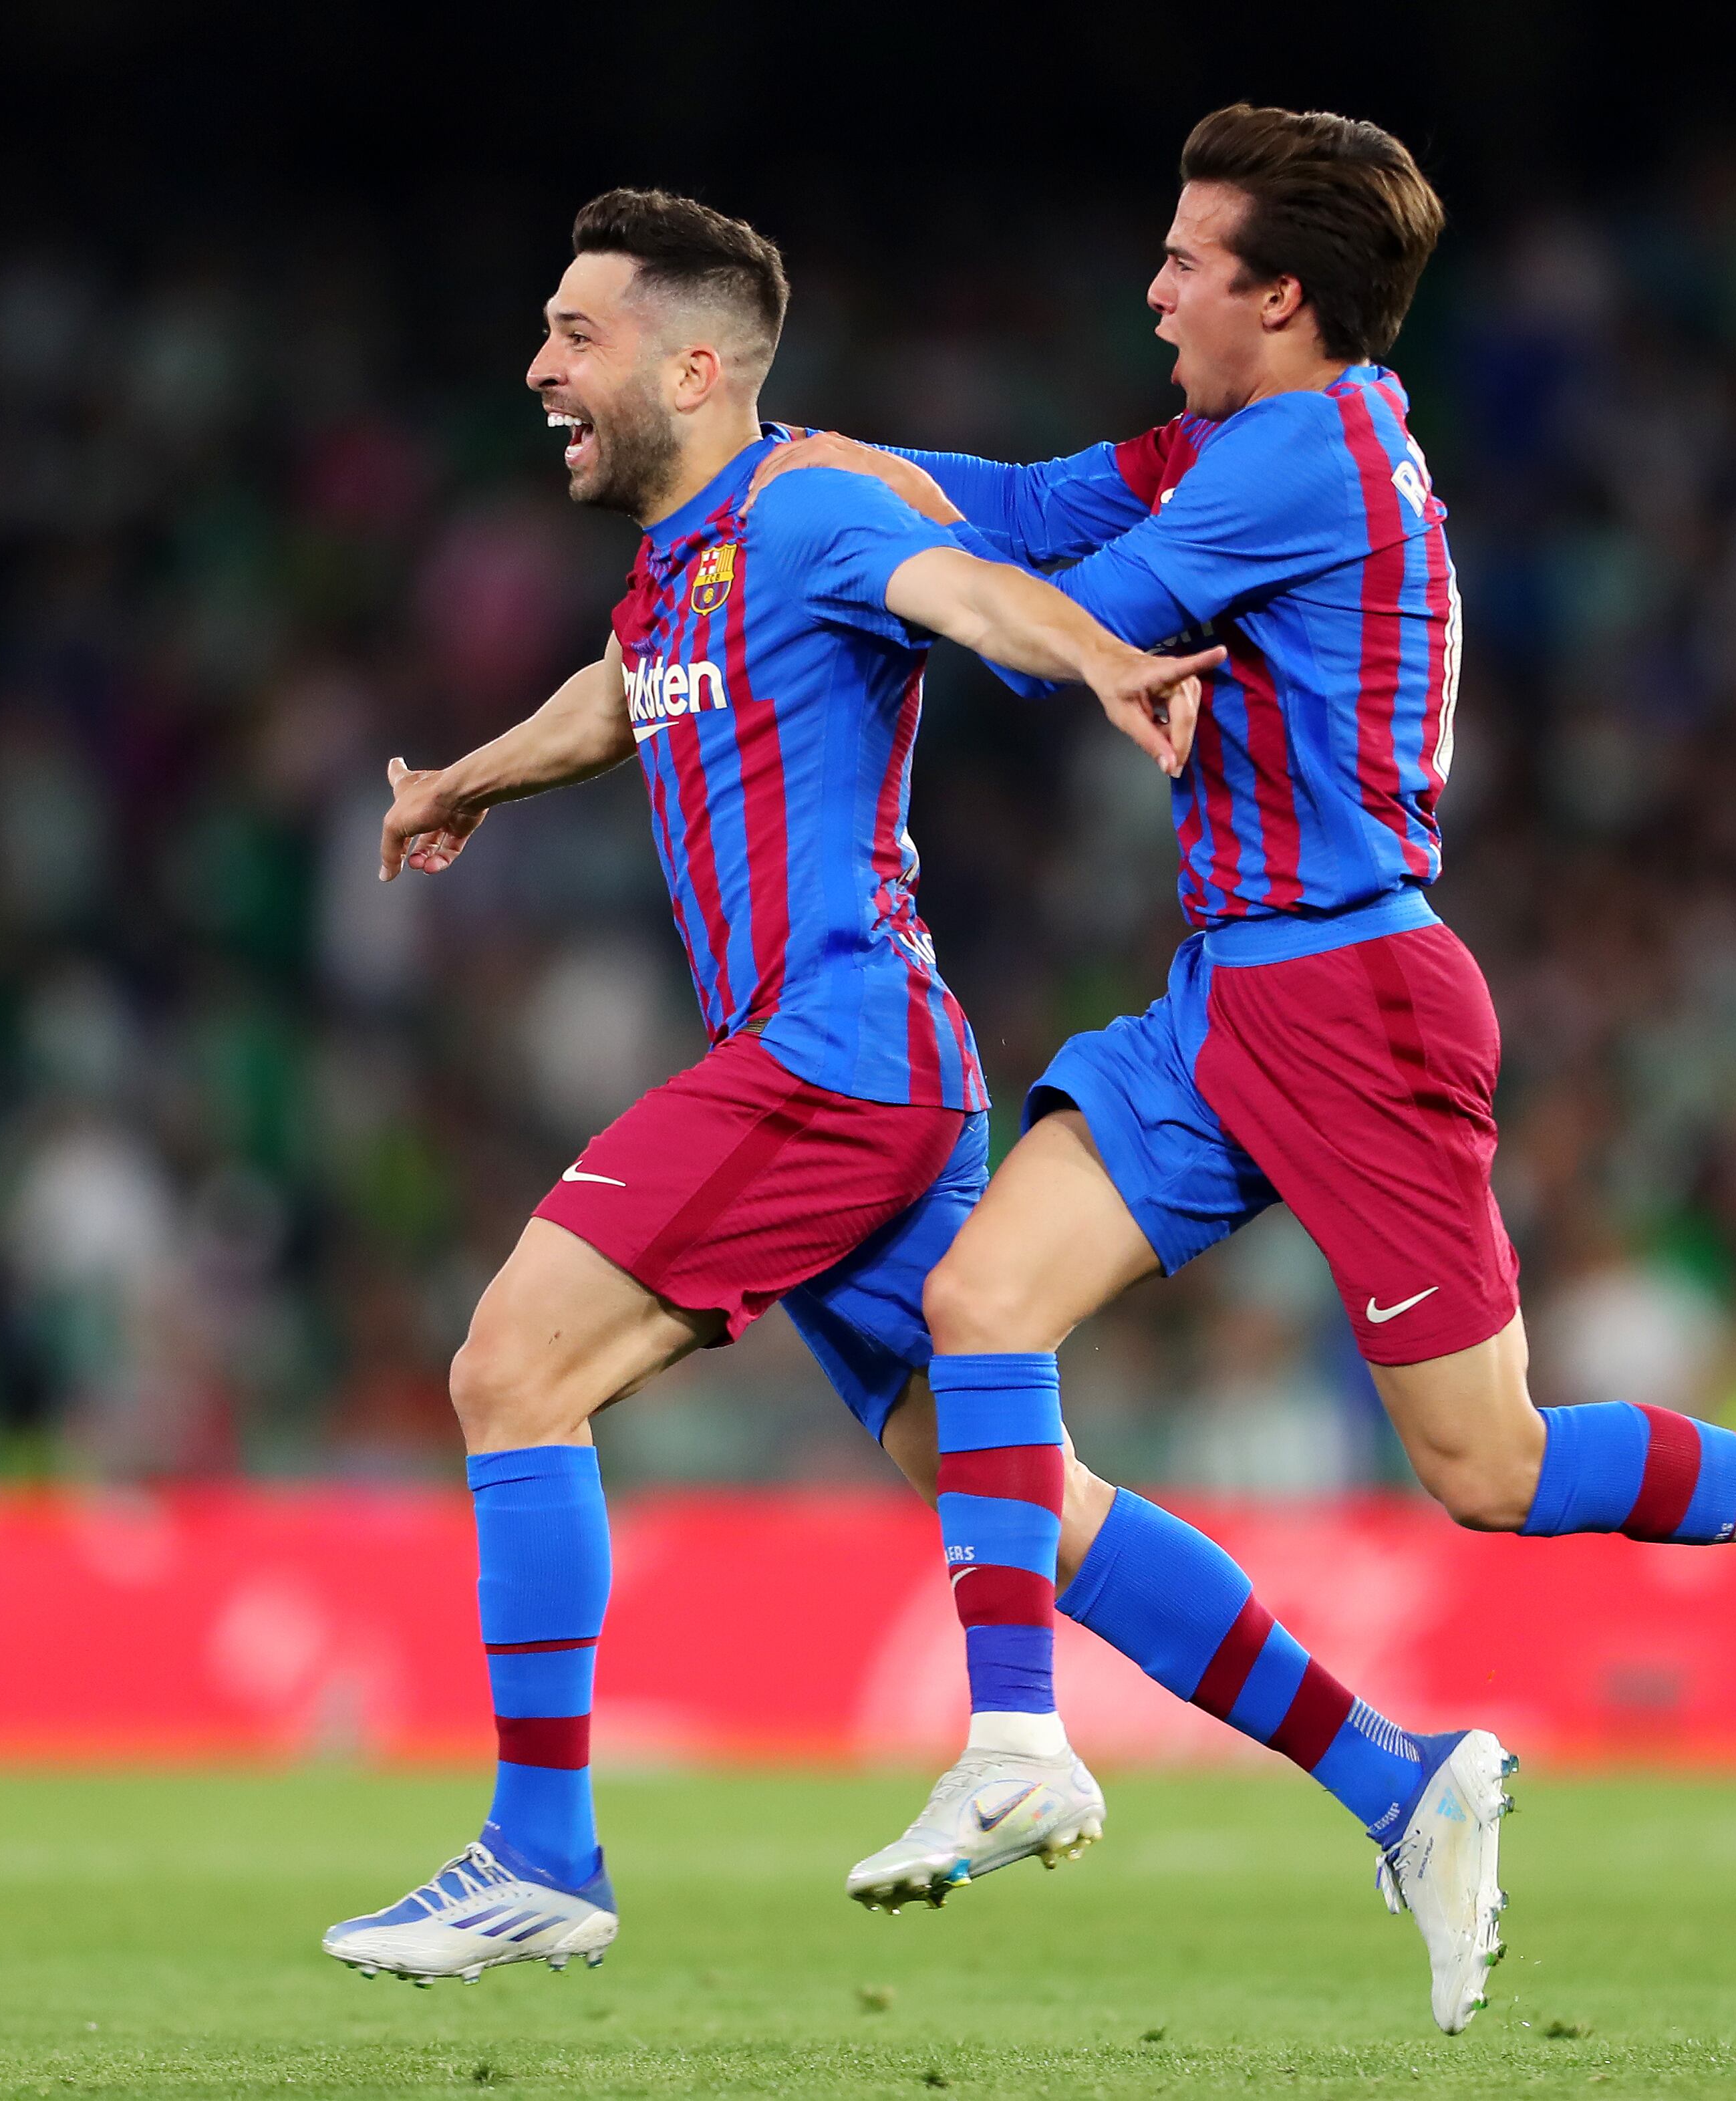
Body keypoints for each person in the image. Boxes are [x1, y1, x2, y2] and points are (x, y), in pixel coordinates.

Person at [759, 103, 1736, 2036]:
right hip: (1225, 996)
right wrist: (803, 469)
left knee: (1490, 1470)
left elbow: (1057, 635)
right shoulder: (1237, 441)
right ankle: (1047, 1740)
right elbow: (1019, 514)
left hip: (1356, 1003)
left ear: (1282, 297)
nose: (1156, 286)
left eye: (1190, 260)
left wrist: (818, 544)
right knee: (981, 1301)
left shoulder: (1307, 464)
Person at [321, 188, 1222, 1986]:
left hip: (830, 1056)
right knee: (1015, 1486)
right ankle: (1395, 1773)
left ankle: (542, 1853)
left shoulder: (809, 504)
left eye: (577, 336)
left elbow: (961, 588)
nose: (539, 368)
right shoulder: (687, 560)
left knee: (511, 1363)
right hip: (872, 1073)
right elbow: (624, 698)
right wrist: (464, 785)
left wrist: (1104, 653)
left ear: (698, 362)